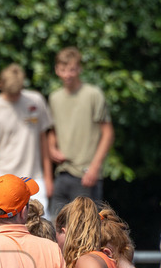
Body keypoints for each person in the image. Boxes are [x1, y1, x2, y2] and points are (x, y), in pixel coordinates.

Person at [0, 63, 54, 205]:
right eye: (11, 93)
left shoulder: (35, 101)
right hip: (3, 180)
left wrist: (48, 178)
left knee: (40, 224)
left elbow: (43, 140)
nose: (15, 97)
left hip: (34, 178)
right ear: (0, 84)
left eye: (18, 92)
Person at [47, 47, 114, 218]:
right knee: (57, 227)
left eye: (72, 69)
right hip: (62, 172)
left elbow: (108, 133)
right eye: (63, 69)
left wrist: (94, 167)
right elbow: (52, 131)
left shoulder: (93, 94)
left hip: (86, 174)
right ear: (56, 70)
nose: (67, 74)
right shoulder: (54, 98)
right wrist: (52, 148)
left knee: (87, 229)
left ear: (79, 69)